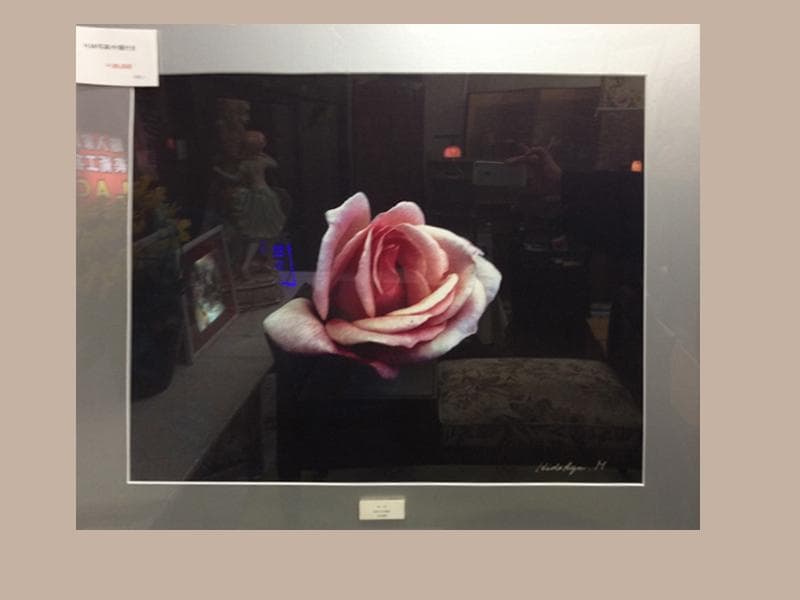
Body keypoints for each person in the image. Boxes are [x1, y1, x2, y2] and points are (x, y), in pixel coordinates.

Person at [219, 130, 287, 280]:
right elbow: (274, 164)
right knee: (264, 233)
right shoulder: (261, 161)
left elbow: (235, 179)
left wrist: (221, 173)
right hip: (265, 197)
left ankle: (267, 262)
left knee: (264, 234)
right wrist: (262, 154)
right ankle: (251, 264)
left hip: (257, 197)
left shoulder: (246, 164)